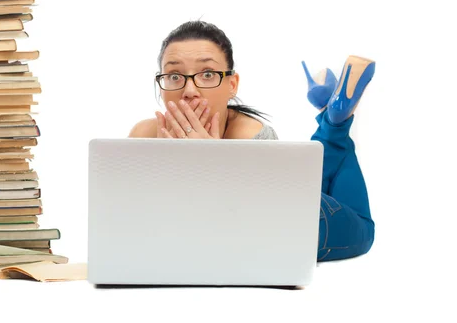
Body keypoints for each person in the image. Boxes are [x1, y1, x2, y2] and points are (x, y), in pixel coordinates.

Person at [129, 20, 375, 262]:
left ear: (231, 85)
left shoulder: (252, 136)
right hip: (294, 185)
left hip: (305, 222)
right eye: (174, 75)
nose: (189, 90)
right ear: (159, 85)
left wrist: (210, 163)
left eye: (207, 74)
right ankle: (332, 115)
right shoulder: (141, 136)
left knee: (364, 230)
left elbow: (256, 235)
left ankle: (335, 124)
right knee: (309, 181)